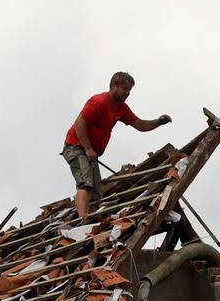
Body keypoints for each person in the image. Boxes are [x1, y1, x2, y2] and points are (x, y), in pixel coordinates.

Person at [62, 71, 172, 219]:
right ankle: (83, 219)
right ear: (114, 86)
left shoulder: (121, 108)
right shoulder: (99, 102)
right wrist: (88, 148)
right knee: (86, 184)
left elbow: (140, 125)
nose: (127, 93)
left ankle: (92, 220)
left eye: (129, 90)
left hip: (90, 151)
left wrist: (158, 122)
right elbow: (79, 123)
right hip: (76, 147)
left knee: (96, 192)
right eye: (124, 89)